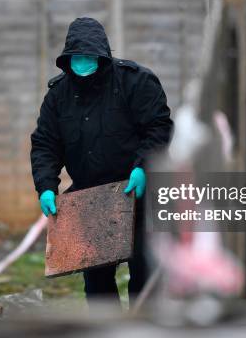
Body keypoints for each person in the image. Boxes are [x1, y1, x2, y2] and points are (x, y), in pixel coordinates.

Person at [30, 17, 173, 306]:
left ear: (103, 55)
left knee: (144, 280)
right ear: (67, 59)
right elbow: (45, 143)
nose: (83, 63)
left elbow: (159, 127)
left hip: (139, 196)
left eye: (89, 57)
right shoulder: (58, 95)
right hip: (91, 199)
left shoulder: (136, 81)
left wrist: (142, 167)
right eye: (77, 58)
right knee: (98, 287)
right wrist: (46, 185)